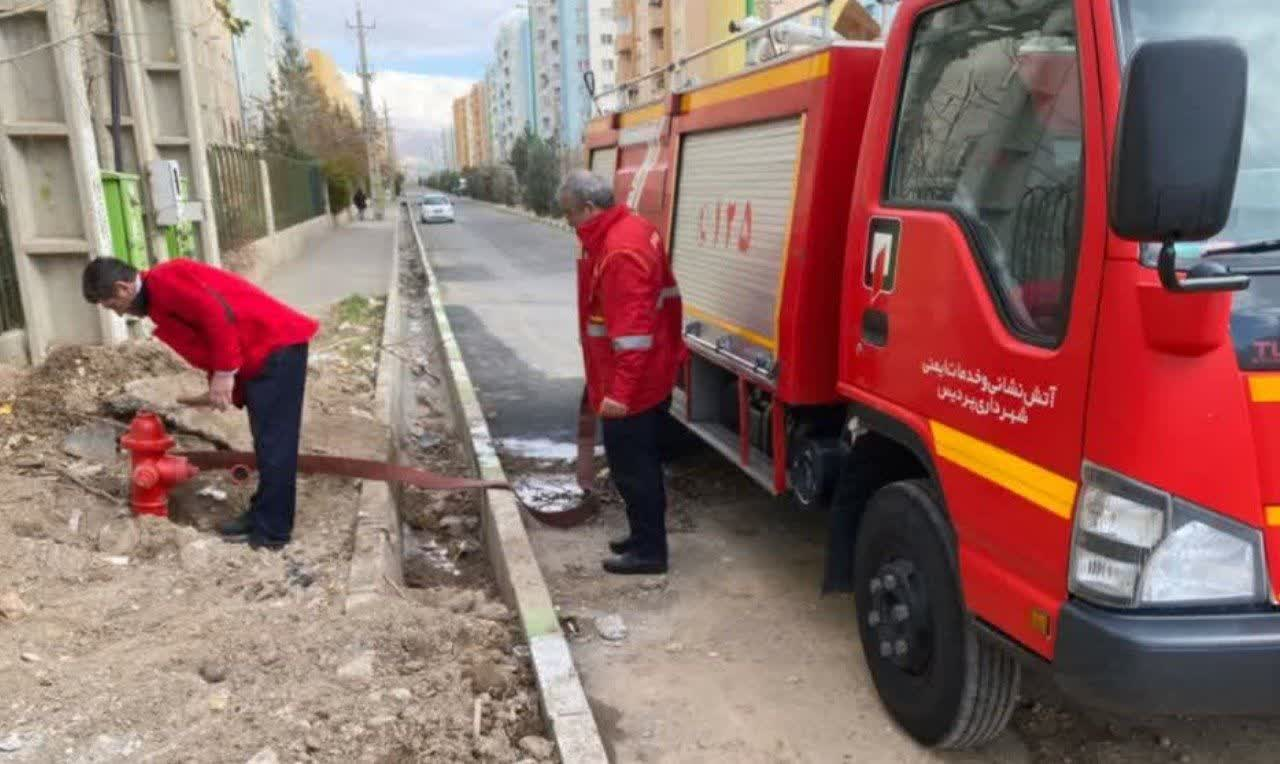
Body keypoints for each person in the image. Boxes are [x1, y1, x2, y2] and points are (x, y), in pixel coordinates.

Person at [82, 257, 318, 550]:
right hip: (264, 354)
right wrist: (216, 384)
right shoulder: (159, 297)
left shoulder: (166, 280)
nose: (118, 315)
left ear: (123, 288)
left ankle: (273, 532)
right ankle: (262, 514)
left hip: (275, 347)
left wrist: (224, 374)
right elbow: (205, 337)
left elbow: (217, 317)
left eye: (112, 306)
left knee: (275, 445)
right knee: (267, 444)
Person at [560, 170, 686, 575]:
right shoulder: (632, 228)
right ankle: (641, 537)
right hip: (646, 376)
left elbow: (632, 336)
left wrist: (619, 393)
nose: (568, 223)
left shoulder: (619, 252)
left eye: (570, 214)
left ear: (591, 208)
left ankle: (649, 552)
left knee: (635, 470)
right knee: (638, 464)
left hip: (632, 387)